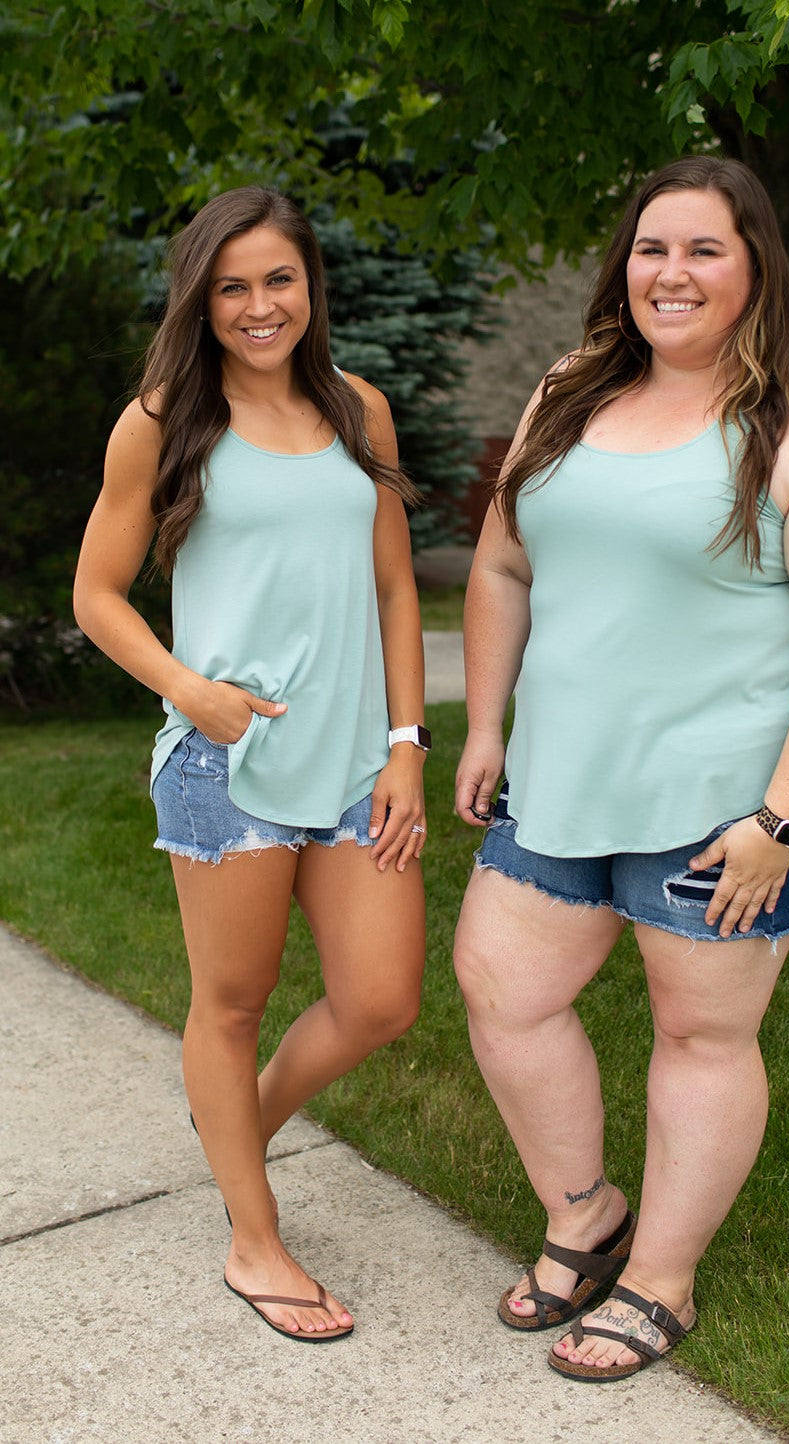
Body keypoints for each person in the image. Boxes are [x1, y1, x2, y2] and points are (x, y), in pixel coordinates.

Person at [453, 156, 789, 1382]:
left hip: (730, 802)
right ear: (625, 265)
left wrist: (780, 821)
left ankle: (660, 1278)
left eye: (706, 249)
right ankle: (587, 1216)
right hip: (562, 771)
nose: (673, 273)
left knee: (701, 1031)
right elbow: (502, 566)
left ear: (757, 266)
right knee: (503, 986)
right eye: (654, 248)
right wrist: (486, 725)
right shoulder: (567, 392)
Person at [74, 186, 428, 1343]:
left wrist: (408, 747)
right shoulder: (163, 419)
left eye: (279, 279)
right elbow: (96, 595)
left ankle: (238, 1125)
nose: (259, 305)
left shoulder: (360, 410)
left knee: (381, 998)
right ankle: (254, 1237)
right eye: (232, 286)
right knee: (229, 1006)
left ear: (311, 283)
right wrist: (188, 689)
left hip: (354, 763)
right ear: (201, 299)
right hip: (225, 764)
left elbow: (394, 589)